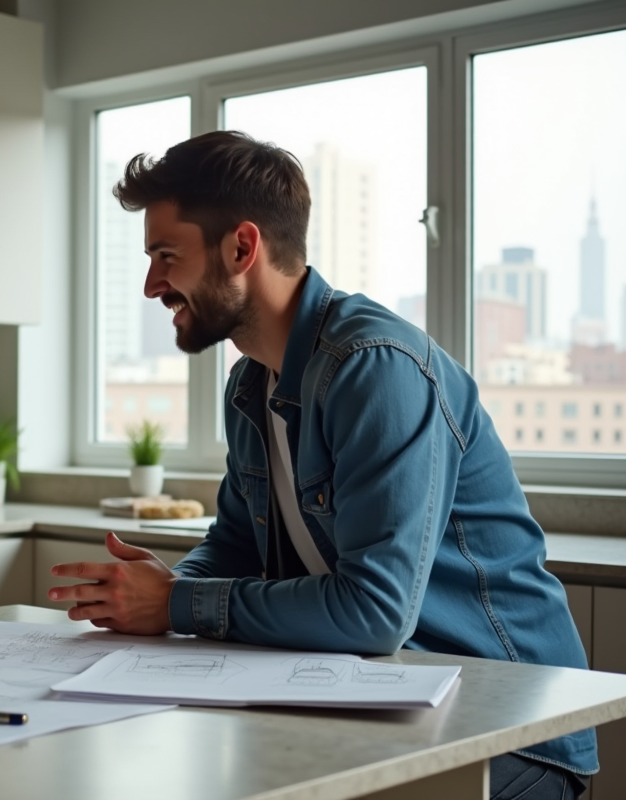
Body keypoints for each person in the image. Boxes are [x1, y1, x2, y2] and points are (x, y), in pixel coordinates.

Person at [48, 131, 594, 798]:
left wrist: (178, 603)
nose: (151, 284)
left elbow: (374, 612)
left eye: (167, 254)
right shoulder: (250, 385)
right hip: (381, 696)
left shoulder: (374, 369)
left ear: (242, 248)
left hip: (505, 726)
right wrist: (160, 591)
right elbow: (237, 544)